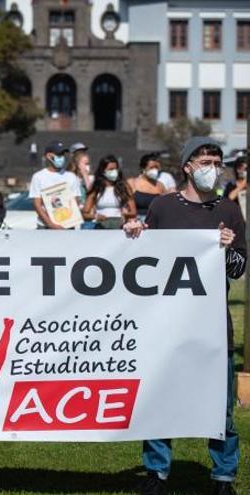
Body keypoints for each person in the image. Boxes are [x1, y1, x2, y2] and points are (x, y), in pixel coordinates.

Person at [124, 137, 243, 495]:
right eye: (206, 161)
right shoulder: (162, 207)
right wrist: (133, 234)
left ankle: (223, 476)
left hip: (212, 328)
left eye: (217, 162)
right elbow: (142, 258)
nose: (213, 168)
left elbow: (238, 269)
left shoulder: (229, 210)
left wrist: (224, 249)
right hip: (167, 325)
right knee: (161, 400)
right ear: (188, 166)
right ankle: (156, 473)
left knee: (221, 411)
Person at [29, 140, 81, 229]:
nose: (61, 157)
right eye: (58, 155)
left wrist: (67, 221)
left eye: (62, 155)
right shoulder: (38, 177)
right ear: (48, 156)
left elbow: (75, 201)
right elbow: (37, 204)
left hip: (67, 225)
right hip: (45, 226)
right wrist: (50, 224)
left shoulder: (71, 177)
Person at [82, 155, 136, 229]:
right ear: (103, 171)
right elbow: (85, 213)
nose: (114, 171)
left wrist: (125, 214)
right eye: (111, 169)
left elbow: (134, 212)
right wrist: (96, 216)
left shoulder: (124, 186)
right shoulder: (96, 187)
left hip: (119, 225)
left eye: (116, 169)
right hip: (101, 225)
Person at [129, 154, 167, 220]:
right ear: (143, 168)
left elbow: (166, 206)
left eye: (156, 167)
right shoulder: (132, 183)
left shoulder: (160, 185)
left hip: (156, 222)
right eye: (151, 167)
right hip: (137, 222)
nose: (155, 170)